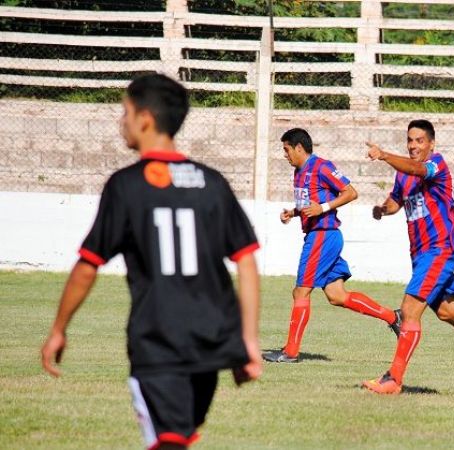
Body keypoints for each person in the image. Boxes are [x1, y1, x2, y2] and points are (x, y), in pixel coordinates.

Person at [40, 74, 263, 449]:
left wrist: (59, 328)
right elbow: (246, 260)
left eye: (125, 112)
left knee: (168, 441)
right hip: (210, 342)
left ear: (144, 119)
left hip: (158, 340)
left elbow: (88, 265)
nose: (121, 122)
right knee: (178, 437)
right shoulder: (211, 182)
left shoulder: (126, 185)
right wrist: (248, 340)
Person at [362, 119, 454, 395]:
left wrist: (383, 155)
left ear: (431, 144)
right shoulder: (403, 173)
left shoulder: (436, 164)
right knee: (447, 311)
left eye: (419, 140)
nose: (413, 145)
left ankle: (394, 379)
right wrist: (383, 209)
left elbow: (418, 170)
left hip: (440, 248)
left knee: (409, 310)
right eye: (410, 140)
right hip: (421, 254)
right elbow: (397, 200)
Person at [262, 128, 400, 364]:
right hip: (320, 236)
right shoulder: (298, 172)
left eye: (286, 149)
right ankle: (393, 317)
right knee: (337, 296)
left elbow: (351, 193)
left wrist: (323, 208)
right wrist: (293, 213)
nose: (285, 155)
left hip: (323, 236)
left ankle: (291, 352)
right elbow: (310, 204)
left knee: (301, 291)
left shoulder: (322, 167)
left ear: (299, 147)